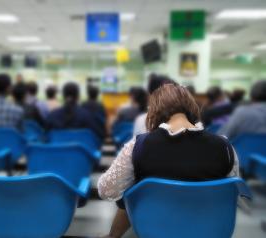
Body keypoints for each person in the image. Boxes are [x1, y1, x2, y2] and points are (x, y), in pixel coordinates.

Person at [98, 83, 239, 238]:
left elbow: (105, 190)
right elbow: (232, 192)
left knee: (132, 185)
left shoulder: (138, 146)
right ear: (192, 108)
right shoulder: (225, 147)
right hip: (209, 230)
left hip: (154, 230)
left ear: (153, 111)